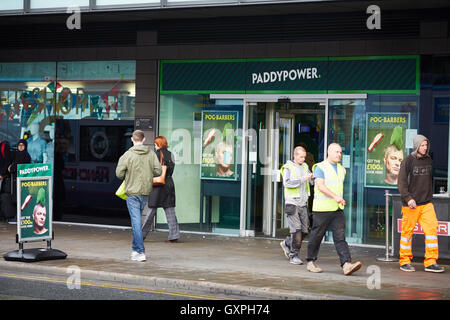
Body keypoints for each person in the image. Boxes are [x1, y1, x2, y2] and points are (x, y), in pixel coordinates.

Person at [306, 143, 362, 275]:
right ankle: (310, 262)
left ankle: (346, 264)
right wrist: (335, 197)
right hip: (322, 209)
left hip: (337, 209)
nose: (339, 154)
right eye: (336, 152)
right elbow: (320, 186)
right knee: (316, 236)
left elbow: (337, 187)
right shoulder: (320, 167)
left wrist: (339, 199)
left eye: (340, 152)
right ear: (329, 152)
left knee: (340, 237)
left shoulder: (342, 169)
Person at [397, 135, 445, 273]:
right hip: (411, 204)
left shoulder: (429, 160)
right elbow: (401, 183)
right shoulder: (407, 161)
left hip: (426, 203)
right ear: (416, 146)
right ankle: (404, 261)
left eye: (426, 145)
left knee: (431, 231)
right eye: (422, 145)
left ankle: (430, 262)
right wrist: (408, 198)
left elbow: (430, 180)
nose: (425, 148)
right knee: (407, 233)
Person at [116, 130, 162, 262]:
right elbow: (158, 171)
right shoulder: (151, 154)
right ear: (143, 139)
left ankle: (140, 251)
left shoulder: (127, 155)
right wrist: (148, 174)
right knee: (137, 221)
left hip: (132, 192)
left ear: (132, 139)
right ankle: (135, 250)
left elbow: (119, 174)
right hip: (145, 192)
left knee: (136, 222)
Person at [142, 136, 180, 243]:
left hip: (157, 185)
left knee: (150, 211)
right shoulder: (171, 154)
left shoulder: (154, 155)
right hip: (168, 184)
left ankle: (142, 235)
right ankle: (174, 235)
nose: (154, 146)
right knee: (170, 210)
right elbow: (172, 168)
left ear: (158, 144)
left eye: (155, 144)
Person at [279, 146, 313, 265]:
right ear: (295, 155)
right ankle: (293, 255)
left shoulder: (305, 166)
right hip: (292, 203)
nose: (303, 159)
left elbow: (310, 180)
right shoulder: (288, 167)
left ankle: (287, 243)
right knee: (296, 231)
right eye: (301, 157)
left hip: (303, 203)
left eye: (304, 157)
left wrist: (311, 178)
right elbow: (287, 183)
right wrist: (302, 179)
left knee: (304, 230)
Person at [1, 139, 32, 223]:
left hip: (20, 180)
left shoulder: (23, 155)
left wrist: (11, 167)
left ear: (25, 146)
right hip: (18, 180)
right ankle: (19, 216)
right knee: (19, 198)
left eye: (22, 145)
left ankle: (19, 217)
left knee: (19, 198)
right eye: (19, 145)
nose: (20, 147)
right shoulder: (21, 154)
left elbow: (15, 167)